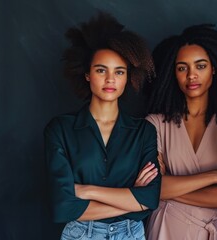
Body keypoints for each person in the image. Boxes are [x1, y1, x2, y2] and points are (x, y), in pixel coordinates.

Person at [44, 12, 161, 240]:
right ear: (87, 74)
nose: (110, 79)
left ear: (128, 77)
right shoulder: (60, 129)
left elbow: (150, 199)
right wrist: (133, 201)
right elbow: (63, 207)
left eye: (119, 71)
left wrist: (86, 190)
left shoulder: (144, 131)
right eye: (101, 70)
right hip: (80, 234)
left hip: (131, 235)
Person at [144, 24, 217, 240]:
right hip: (165, 229)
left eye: (200, 66)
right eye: (182, 68)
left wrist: (169, 189)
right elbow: (151, 189)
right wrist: (215, 176)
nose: (191, 75)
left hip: (212, 232)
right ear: (173, 72)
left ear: (214, 68)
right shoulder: (155, 124)